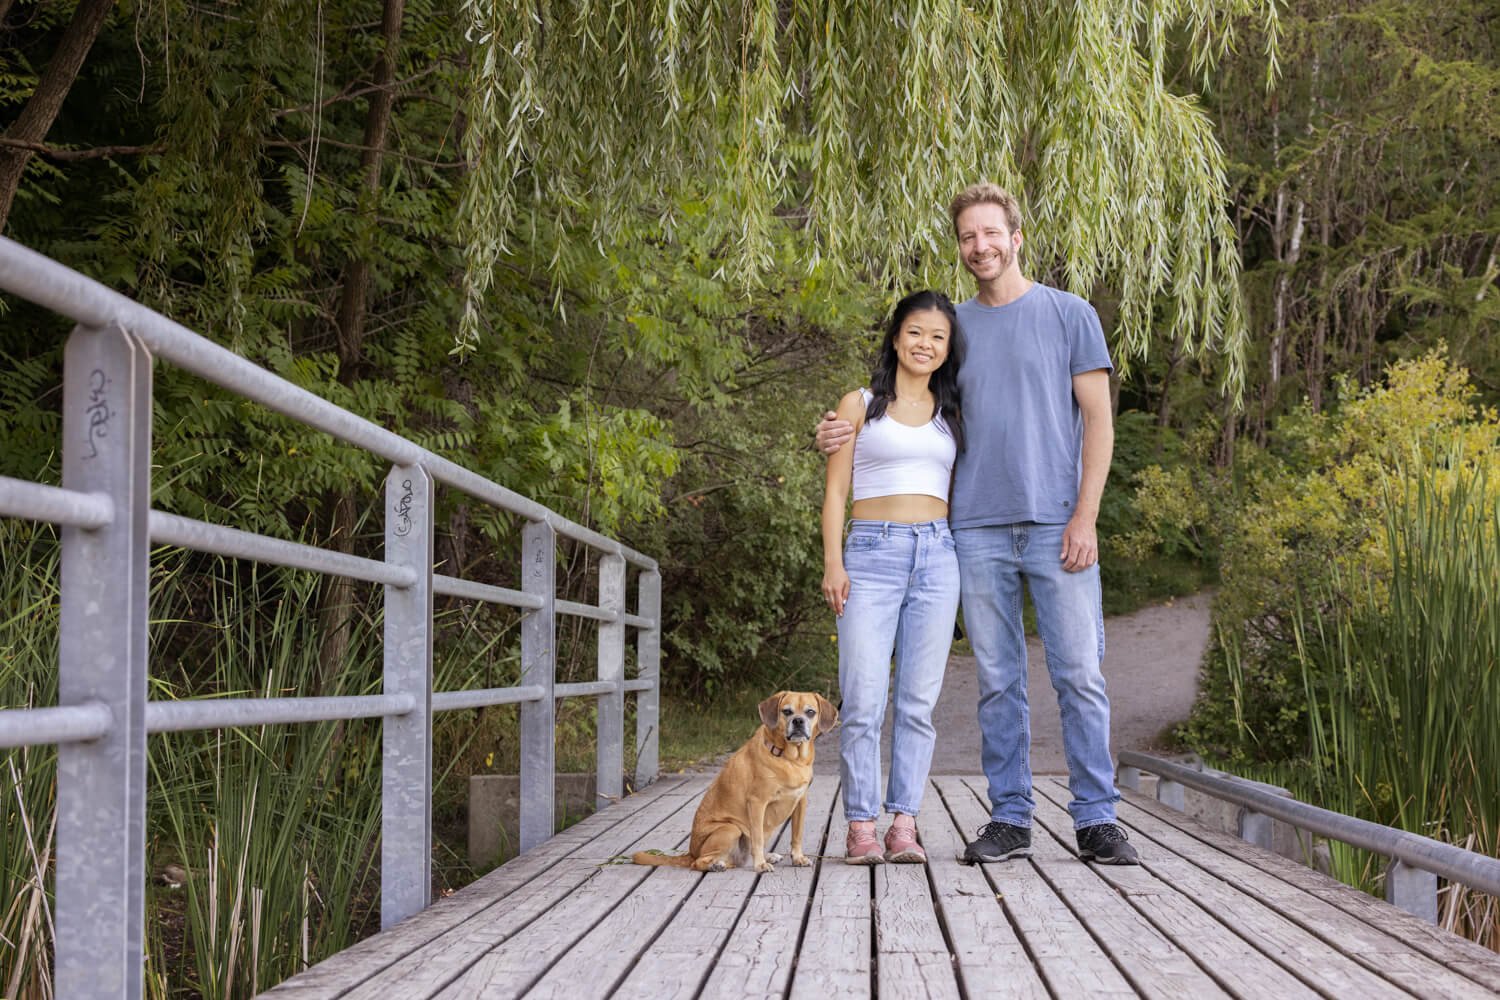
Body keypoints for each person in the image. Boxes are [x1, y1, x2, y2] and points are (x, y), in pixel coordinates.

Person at [816, 183, 1139, 866]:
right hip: (973, 531)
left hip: (1058, 524)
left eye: (992, 233)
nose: (980, 246)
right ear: (960, 246)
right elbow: (906, 396)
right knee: (997, 679)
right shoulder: (953, 330)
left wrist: (1087, 515)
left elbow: (1100, 422)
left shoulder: (1069, 314)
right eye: (968, 236)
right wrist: (839, 427)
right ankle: (1011, 816)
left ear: (1017, 237)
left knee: (1080, 673)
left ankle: (1097, 818)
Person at [821, 289, 965, 865]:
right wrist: (834, 561)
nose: (925, 344)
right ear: (895, 336)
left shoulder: (953, 413)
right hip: (870, 556)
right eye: (915, 332)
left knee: (917, 703)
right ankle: (861, 824)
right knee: (862, 698)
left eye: (937, 336)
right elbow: (835, 491)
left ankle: (903, 822)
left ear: (948, 348)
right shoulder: (859, 404)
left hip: (937, 556)